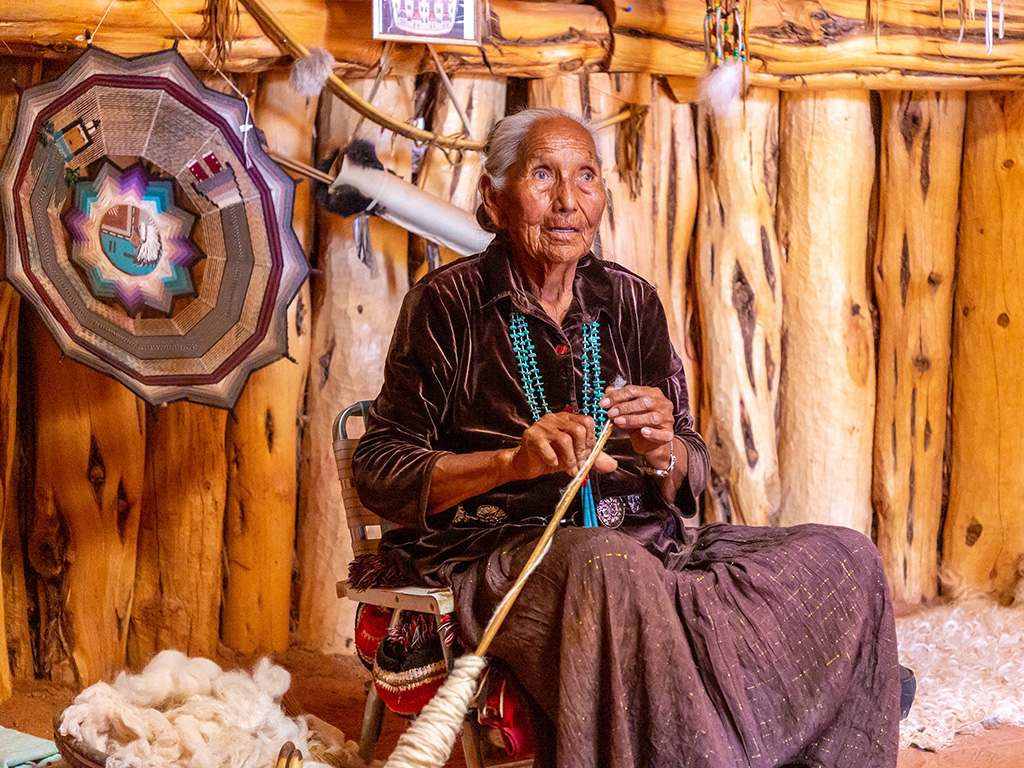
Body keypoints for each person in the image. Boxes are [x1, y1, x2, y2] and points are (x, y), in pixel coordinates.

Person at [352, 107, 900, 767]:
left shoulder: (631, 301)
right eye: (543, 175)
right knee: (608, 568)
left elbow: (691, 461)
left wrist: (662, 449)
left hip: (649, 549)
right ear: (493, 201)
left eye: (586, 177)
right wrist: (509, 462)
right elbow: (379, 469)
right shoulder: (446, 305)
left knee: (845, 558)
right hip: (509, 560)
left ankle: (774, 737)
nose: (567, 201)